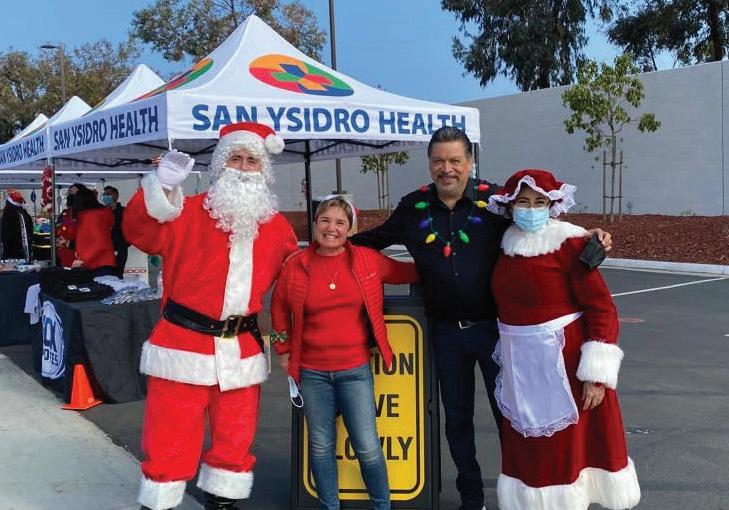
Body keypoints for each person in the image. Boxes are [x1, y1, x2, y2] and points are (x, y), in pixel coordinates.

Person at [351, 126, 611, 510]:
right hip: (445, 334)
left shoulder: (494, 204)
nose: (447, 169)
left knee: (512, 419)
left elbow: (539, 222)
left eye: (455, 160)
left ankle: (520, 494)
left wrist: (588, 235)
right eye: (439, 161)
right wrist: (328, 245)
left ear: (470, 162)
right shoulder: (412, 207)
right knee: (457, 421)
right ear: (430, 164)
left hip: (495, 333)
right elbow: (372, 241)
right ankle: (472, 499)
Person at [123, 122, 298, 510]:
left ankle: (223, 502)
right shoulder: (184, 211)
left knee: (235, 441)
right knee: (169, 440)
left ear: (264, 169)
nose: (243, 167)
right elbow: (139, 232)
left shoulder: (276, 226)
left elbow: (296, 281)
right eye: (235, 158)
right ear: (220, 164)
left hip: (241, 352)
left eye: (252, 160)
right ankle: (158, 504)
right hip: (182, 347)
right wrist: (162, 186)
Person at [487, 169, 640, 509]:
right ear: (510, 206)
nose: (530, 209)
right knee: (529, 450)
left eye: (539, 202)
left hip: (565, 367)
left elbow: (601, 307)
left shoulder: (570, 244)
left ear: (552, 205)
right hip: (520, 367)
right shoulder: (504, 243)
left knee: (567, 450)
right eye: (523, 202)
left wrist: (596, 375)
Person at [270, 197, 419, 510]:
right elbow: (279, 307)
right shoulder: (296, 265)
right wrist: (282, 349)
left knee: (367, 445)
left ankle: (382, 505)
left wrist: (444, 264)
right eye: (325, 221)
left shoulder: (367, 260)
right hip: (312, 372)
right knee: (321, 446)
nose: (331, 228)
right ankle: (330, 505)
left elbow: (408, 272)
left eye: (340, 222)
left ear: (350, 229)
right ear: (315, 225)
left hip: (354, 370)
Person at [67, 185, 117, 276]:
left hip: (98, 264)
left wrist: (83, 259)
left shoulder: (92, 217)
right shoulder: (89, 216)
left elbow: (100, 242)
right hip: (95, 262)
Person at [103, 185, 130, 278]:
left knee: (118, 274)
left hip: (120, 247)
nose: (105, 197)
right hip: (104, 248)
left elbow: (130, 229)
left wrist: (124, 244)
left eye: (108, 194)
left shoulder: (124, 211)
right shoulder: (101, 212)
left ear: (115, 195)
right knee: (105, 274)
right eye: (104, 195)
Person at [1, 189, 33, 261]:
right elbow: (30, 233)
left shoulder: (7, 216)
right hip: (25, 253)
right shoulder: (26, 215)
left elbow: (6, 236)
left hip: (10, 254)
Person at [55, 184, 82, 268]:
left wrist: (68, 243)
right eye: (69, 193)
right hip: (62, 258)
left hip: (78, 260)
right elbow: (57, 230)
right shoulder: (64, 214)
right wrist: (56, 240)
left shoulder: (85, 215)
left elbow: (90, 240)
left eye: (72, 193)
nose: (69, 196)